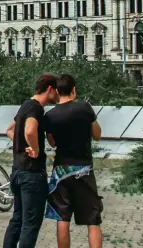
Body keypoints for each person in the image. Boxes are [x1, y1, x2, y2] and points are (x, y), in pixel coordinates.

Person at [44, 74, 103, 248]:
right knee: (93, 218)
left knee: (62, 216)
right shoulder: (85, 108)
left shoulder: (50, 115)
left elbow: (52, 142)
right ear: (74, 90)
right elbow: (97, 135)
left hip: (61, 170)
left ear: (56, 91)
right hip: (83, 169)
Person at [3, 73, 60, 248]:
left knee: (17, 219)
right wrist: (34, 149)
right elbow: (29, 130)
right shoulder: (36, 108)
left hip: (18, 171)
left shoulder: (25, 105)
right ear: (49, 89)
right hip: (32, 175)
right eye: (57, 91)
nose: (58, 95)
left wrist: (21, 146)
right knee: (30, 224)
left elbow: (10, 130)